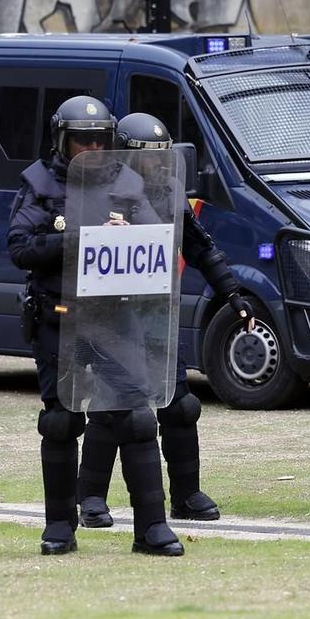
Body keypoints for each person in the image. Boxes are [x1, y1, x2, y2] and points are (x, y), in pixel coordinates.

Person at [8, 96, 185, 557]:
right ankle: (60, 527)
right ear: (61, 141)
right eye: (80, 140)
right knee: (62, 421)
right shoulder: (39, 183)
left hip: (113, 314)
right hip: (59, 315)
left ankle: (152, 527)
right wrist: (74, 240)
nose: (90, 148)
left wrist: (126, 235)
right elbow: (20, 248)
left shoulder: (127, 182)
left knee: (137, 416)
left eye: (99, 140)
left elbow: (156, 243)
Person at [77, 113, 256, 531]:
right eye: (144, 159)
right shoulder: (98, 192)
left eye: (161, 158)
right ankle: (90, 498)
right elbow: (74, 254)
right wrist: (106, 232)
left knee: (179, 406)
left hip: (158, 314)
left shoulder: (172, 193)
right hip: (112, 317)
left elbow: (201, 248)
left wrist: (233, 294)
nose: (154, 167)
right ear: (123, 156)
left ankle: (186, 495)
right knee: (111, 407)